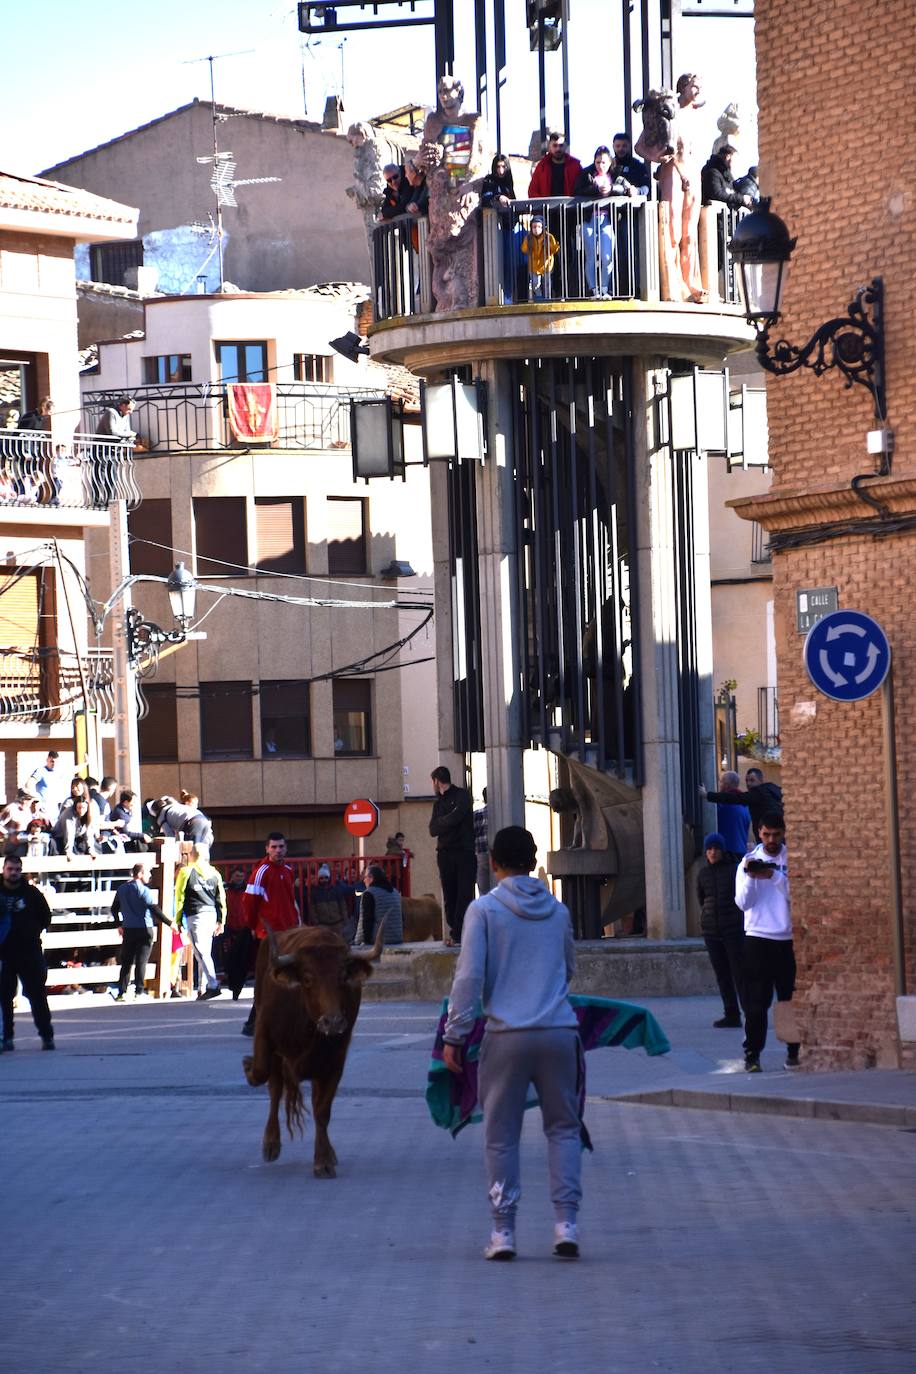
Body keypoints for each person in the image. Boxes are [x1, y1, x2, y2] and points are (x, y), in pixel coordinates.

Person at [443, 826, 581, 1262]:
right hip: (559, 1031)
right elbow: (569, 967)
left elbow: (469, 977)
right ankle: (566, 1225)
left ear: (495, 864)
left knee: (501, 1135)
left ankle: (503, 1233)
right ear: (533, 858)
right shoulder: (558, 912)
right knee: (563, 1129)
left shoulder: (483, 911)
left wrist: (455, 1035)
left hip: (505, 1036)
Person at [734, 812, 799, 1072]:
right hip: (757, 939)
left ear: (783, 833)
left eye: (776, 834)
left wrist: (773, 876)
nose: (771, 839)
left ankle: (793, 1052)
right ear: (758, 833)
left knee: (789, 999)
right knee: (756, 1002)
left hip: (787, 939)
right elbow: (742, 903)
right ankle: (752, 1055)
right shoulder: (747, 862)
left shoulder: (790, 860)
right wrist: (752, 877)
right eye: (766, 834)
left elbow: (796, 895)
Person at [240, 832, 300, 1035]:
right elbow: (249, 903)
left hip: (289, 933)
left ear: (286, 848)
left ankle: (261, 1022)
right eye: (273, 847)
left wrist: (297, 925)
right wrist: (253, 927)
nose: (277, 850)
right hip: (268, 935)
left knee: (284, 978)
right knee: (268, 978)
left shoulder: (289, 870)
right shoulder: (261, 871)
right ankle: (253, 1022)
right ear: (267, 848)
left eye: (281, 846)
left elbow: (291, 902)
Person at [0, 852, 55, 1051]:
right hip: (4, 952)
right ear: (4, 870)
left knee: (37, 995)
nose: (13, 873)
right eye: (10, 869)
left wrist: (30, 932)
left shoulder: (31, 893)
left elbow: (46, 917)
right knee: (4, 998)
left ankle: (46, 1035)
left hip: (28, 951)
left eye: (17, 870)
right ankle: (6, 1037)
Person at [696, 833, 744, 1028]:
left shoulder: (734, 870)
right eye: (709, 849)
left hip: (733, 930)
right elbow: (701, 899)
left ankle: (750, 1012)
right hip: (711, 931)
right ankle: (731, 1013)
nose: (713, 852)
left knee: (739, 973)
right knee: (722, 974)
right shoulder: (703, 874)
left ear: (722, 851)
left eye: (716, 849)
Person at [110, 861, 172, 1002]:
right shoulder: (144, 891)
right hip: (145, 929)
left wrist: (118, 925)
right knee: (141, 962)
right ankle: (139, 991)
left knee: (126, 962)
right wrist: (169, 923)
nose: (150, 876)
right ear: (140, 874)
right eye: (148, 873)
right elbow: (154, 909)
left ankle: (122, 992)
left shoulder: (122, 889)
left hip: (129, 930)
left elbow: (114, 908)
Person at [429, 765, 476, 946]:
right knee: (450, 894)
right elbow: (433, 830)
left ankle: (460, 933)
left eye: (432, 782)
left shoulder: (462, 796)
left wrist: (443, 823)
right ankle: (454, 931)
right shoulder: (438, 803)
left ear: (437, 781)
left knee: (464, 892)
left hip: (464, 852)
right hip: (445, 854)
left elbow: (458, 816)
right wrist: (447, 822)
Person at [174, 845, 226, 1000]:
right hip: (210, 914)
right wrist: (221, 920)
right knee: (205, 952)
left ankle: (213, 985)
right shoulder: (214, 872)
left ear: (191, 854)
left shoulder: (186, 871)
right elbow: (221, 898)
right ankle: (203, 987)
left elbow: (179, 897)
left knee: (200, 952)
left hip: (195, 915)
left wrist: (177, 919)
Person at [574, 146, 616, 296]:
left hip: (607, 219)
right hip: (589, 218)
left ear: (610, 162)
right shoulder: (586, 174)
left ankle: (605, 287)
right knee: (590, 256)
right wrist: (596, 189)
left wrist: (611, 189)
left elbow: (623, 187)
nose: (601, 166)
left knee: (606, 256)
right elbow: (578, 191)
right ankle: (593, 289)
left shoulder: (615, 175)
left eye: (604, 162)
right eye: (598, 162)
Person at [702, 766, 783, 842]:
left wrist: (707, 795)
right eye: (747, 781)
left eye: (752, 780)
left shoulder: (758, 793)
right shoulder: (773, 792)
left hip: (768, 839)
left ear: (760, 781)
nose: (748, 784)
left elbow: (735, 798)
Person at [306, 863, 365, 940]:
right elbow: (312, 909)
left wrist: (344, 921)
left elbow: (342, 906)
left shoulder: (335, 890)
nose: (324, 880)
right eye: (321, 878)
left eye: (326, 878)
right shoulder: (315, 892)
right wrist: (317, 923)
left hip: (338, 923)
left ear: (329, 878)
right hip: (323, 924)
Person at [354, 865, 403, 946]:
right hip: (397, 939)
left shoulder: (369, 893)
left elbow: (367, 920)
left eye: (365, 877)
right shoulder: (395, 892)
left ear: (371, 878)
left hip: (377, 941)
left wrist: (365, 941)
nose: (364, 880)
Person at [223, 867, 251, 999]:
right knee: (228, 956)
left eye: (241, 876)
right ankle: (230, 979)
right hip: (228, 926)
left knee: (242, 958)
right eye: (237, 876)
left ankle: (238, 984)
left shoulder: (248, 890)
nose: (239, 878)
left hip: (244, 928)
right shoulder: (226, 890)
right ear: (232, 876)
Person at [701, 142, 754, 211]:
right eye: (735, 159)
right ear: (728, 157)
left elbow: (731, 193)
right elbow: (717, 194)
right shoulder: (713, 172)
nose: (736, 163)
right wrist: (741, 198)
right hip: (715, 216)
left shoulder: (727, 175)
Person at [528, 131, 582, 198]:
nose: (558, 149)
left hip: (570, 207)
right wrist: (542, 206)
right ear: (549, 146)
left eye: (561, 145)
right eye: (555, 145)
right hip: (547, 207)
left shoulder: (575, 166)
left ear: (565, 146)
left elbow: (582, 189)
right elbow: (532, 191)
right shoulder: (542, 167)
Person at [710, 770, 751, 858]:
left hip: (726, 853)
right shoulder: (745, 804)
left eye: (720, 781)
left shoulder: (723, 804)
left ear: (726, 785)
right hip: (741, 852)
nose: (719, 784)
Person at [147, 795, 214, 847]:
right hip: (203, 819)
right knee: (203, 850)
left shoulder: (161, 817)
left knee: (192, 851)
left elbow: (170, 836)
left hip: (192, 823)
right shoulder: (175, 806)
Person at [520, 214, 559, 300]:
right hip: (533, 266)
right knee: (535, 284)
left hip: (547, 265)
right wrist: (528, 246)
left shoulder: (549, 237)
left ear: (543, 227)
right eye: (534, 227)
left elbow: (554, 249)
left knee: (547, 284)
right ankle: (539, 298)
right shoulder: (528, 238)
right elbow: (524, 249)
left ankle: (548, 299)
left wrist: (548, 245)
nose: (536, 229)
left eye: (539, 226)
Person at [25, 750, 65, 818]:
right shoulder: (41, 771)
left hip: (56, 810)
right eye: (52, 761)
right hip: (43, 810)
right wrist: (35, 799)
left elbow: (73, 770)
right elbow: (29, 784)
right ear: (47, 760)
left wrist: (85, 763)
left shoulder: (59, 772)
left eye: (56, 762)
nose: (54, 764)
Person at [473, 787, 490, 896]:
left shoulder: (476, 814)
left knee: (484, 891)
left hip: (481, 854)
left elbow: (471, 835)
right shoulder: (503, 813)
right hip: (499, 854)